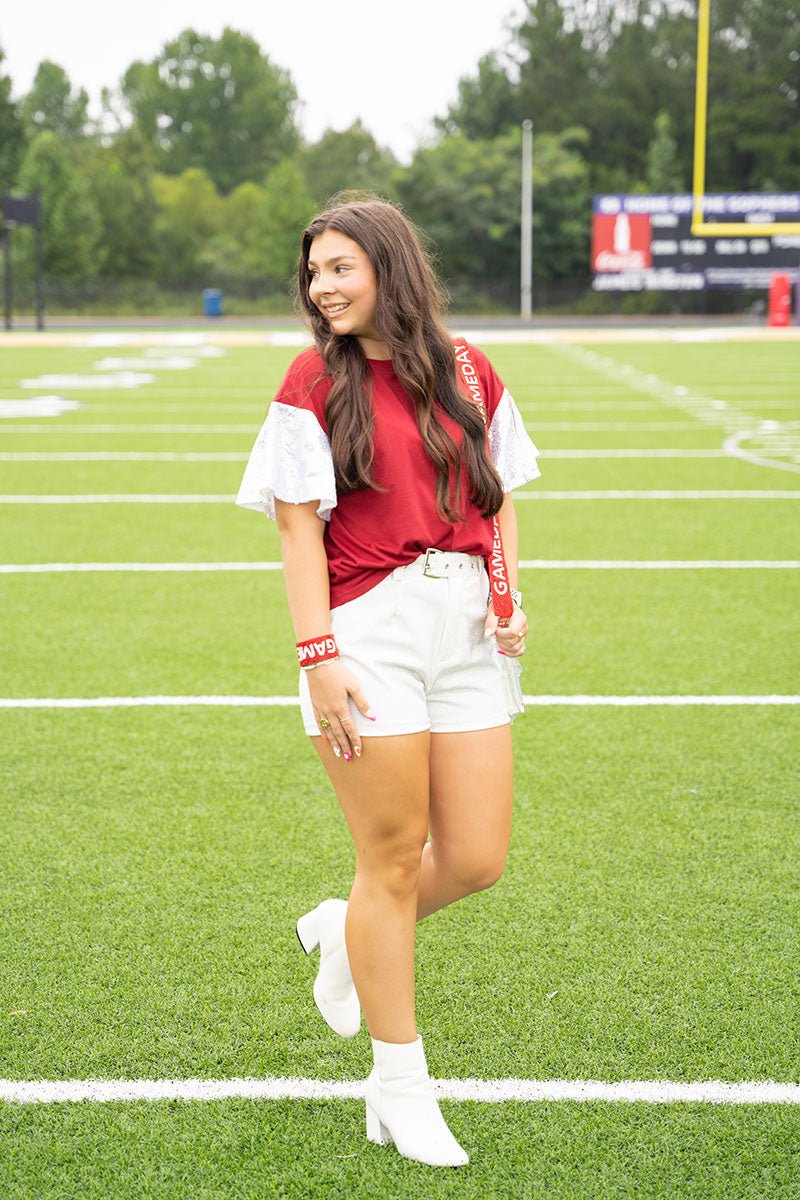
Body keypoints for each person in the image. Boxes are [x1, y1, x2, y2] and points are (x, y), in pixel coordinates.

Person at [236, 197, 540, 1167]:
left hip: (464, 632)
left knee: (479, 857)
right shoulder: (309, 380)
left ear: (390, 267)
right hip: (368, 629)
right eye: (313, 273)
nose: (322, 287)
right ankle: (397, 1085)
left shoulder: (467, 368)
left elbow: (496, 499)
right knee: (393, 857)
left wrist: (507, 597)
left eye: (340, 268)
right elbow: (295, 530)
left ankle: (344, 931)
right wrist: (315, 657)